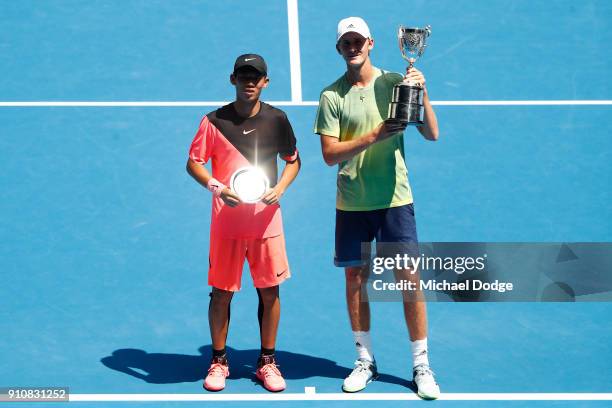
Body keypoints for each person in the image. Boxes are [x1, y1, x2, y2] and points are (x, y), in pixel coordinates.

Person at [313, 17, 441, 399]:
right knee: (355, 280)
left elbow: (431, 133)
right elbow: (328, 155)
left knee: (408, 280)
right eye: (345, 43)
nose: (352, 48)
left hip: (395, 200)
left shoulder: (394, 84)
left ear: (370, 44)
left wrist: (423, 92)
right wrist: (374, 135)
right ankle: (364, 360)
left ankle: (421, 364)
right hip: (352, 202)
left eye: (358, 41)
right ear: (339, 49)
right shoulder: (331, 96)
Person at [186, 54, 300, 392]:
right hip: (227, 224)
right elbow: (194, 162)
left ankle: (267, 361)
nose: (249, 82)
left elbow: (293, 161)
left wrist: (280, 188)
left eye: (256, 77)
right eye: (243, 76)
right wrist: (217, 188)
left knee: (270, 291)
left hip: (266, 223)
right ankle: (219, 360)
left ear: (265, 82)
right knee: (221, 293)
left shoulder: (278, 119)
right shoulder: (213, 121)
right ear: (232, 79)